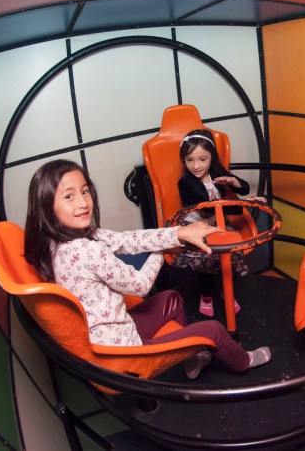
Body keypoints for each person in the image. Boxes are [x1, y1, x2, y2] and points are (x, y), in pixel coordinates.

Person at [23, 159, 270, 379]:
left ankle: (191, 358)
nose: (82, 202)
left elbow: (128, 239)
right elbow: (140, 285)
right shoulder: (86, 250)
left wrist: (178, 233)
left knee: (171, 298)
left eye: (85, 191)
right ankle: (243, 361)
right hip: (123, 352)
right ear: (47, 206)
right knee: (214, 329)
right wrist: (163, 251)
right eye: (69, 196)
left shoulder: (58, 241)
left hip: (112, 331)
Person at [175, 129, 265, 317]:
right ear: (183, 160)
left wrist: (233, 182)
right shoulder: (185, 182)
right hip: (197, 226)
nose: (196, 166)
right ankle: (206, 296)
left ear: (212, 157)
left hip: (218, 222)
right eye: (189, 160)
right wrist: (245, 204)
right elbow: (208, 208)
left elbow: (244, 188)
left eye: (202, 159)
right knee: (204, 261)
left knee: (230, 257)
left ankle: (227, 291)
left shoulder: (216, 171)